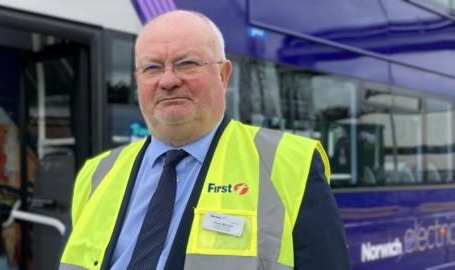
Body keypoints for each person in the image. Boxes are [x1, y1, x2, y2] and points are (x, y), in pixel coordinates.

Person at [59, 10, 351, 270]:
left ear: (223, 75)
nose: (168, 80)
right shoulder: (97, 174)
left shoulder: (292, 166)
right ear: (138, 82)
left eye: (186, 63)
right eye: (152, 68)